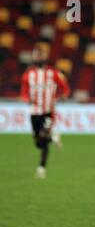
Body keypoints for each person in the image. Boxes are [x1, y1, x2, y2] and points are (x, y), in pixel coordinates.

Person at [20, 45, 70, 179]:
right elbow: (24, 92)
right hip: (34, 112)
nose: (38, 57)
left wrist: (63, 95)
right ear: (33, 57)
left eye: (40, 55)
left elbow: (64, 87)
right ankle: (53, 137)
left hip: (48, 112)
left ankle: (41, 169)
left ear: (45, 57)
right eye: (36, 55)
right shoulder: (28, 75)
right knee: (38, 142)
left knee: (43, 135)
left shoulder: (53, 73)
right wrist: (26, 99)